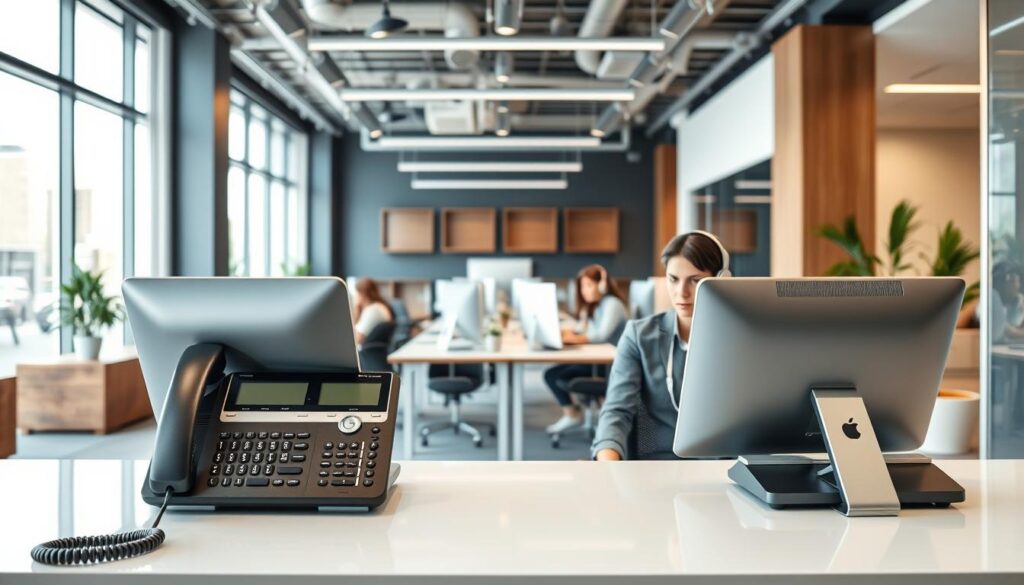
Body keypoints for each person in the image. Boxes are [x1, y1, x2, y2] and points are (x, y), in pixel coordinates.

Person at [592, 231, 730, 460]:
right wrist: (607, 465)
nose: (681, 292)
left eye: (695, 281)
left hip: (722, 468)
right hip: (655, 465)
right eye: (673, 279)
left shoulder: (736, 342)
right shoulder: (639, 336)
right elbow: (616, 411)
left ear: (720, 279)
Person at [544, 264, 629, 435]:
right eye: (582, 287)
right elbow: (586, 329)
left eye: (589, 285)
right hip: (597, 360)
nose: (584, 291)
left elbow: (600, 336)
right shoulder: (597, 305)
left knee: (553, 375)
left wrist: (572, 338)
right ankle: (573, 413)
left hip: (610, 366)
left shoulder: (612, 304)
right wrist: (572, 331)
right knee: (552, 373)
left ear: (602, 285)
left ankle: (573, 414)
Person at [353, 278, 395, 345]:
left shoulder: (373, 310)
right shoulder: (379, 306)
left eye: (356, 293)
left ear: (362, 294)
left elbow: (357, 339)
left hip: (363, 352)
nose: (355, 297)